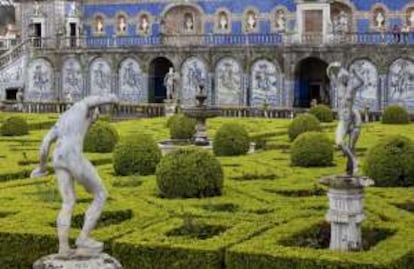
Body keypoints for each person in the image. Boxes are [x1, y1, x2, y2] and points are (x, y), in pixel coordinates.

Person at [30, 94, 119, 257]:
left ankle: (63, 248)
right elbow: (94, 99)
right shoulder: (82, 107)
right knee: (101, 194)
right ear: (92, 112)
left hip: (58, 157)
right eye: (94, 118)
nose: (92, 122)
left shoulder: (62, 119)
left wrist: (41, 168)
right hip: (73, 157)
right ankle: (83, 238)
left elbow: (45, 144)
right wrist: (112, 98)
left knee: (68, 202)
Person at [327, 62, 364, 176]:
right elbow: (329, 74)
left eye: (344, 77)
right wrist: (331, 66)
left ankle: (350, 171)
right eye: (341, 76)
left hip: (353, 119)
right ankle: (354, 160)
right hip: (343, 119)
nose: (342, 78)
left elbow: (362, 82)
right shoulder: (338, 87)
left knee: (352, 146)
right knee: (339, 142)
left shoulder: (352, 88)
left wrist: (355, 72)